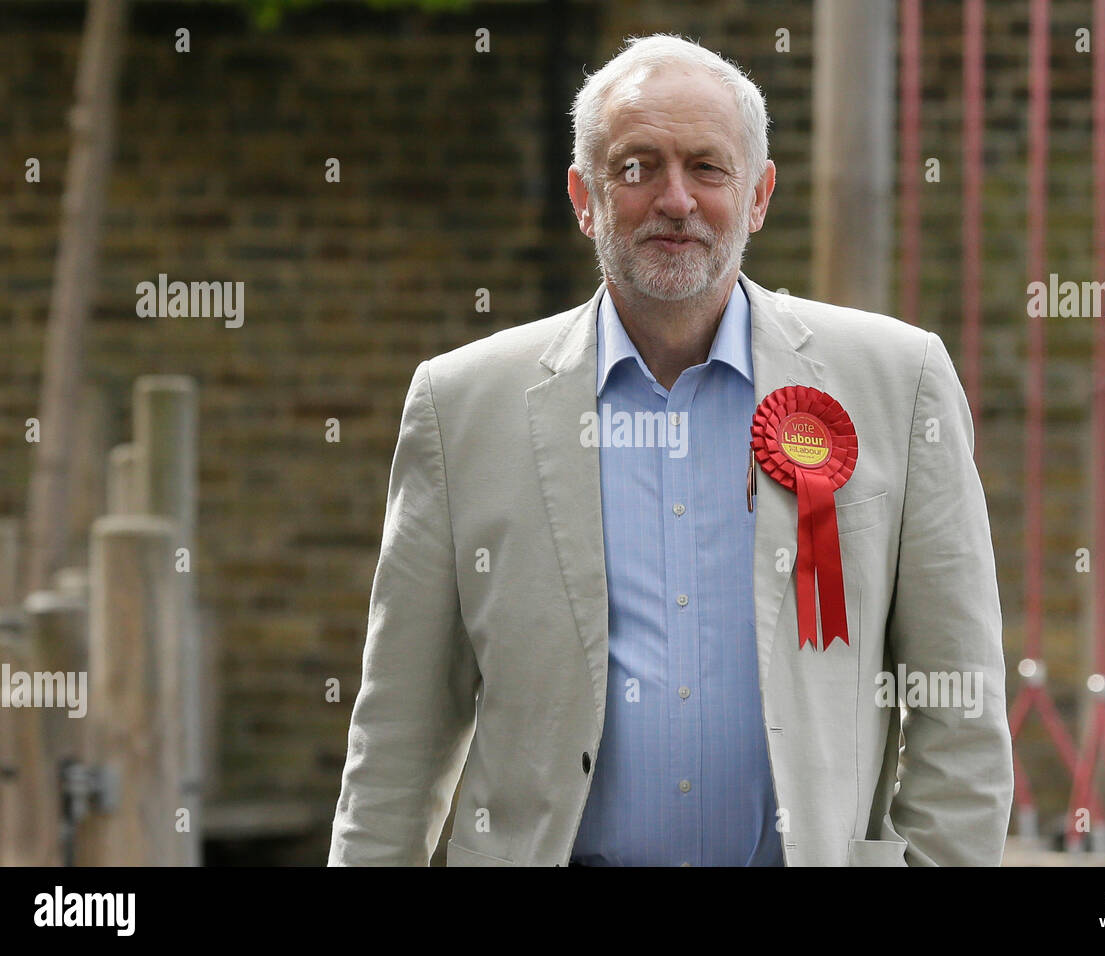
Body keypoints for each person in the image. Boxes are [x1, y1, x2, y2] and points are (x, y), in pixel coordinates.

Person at [328, 33, 1012, 867]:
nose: (675, 199)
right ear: (584, 196)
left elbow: (961, 709)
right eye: (637, 166)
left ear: (758, 195)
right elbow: (400, 724)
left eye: (707, 168)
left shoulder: (897, 382)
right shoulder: (459, 404)